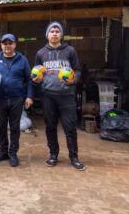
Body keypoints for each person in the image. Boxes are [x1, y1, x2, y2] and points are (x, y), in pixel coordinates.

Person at [33, 21, 85, 171]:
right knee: (50, 126)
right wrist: (36, 81)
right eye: (52, 31)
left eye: (57, 31)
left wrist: (74, 80)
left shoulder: (70, 51)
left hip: (67, 95)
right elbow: (36, 72)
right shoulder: (41, 53)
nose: (54, 33)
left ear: (61, 34)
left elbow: (78, 70)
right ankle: (53, 155)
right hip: (48, 95)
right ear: (47, 35)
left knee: (70, 127)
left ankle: (74, 158)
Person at [0, 33, 33, 167]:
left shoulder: (22, 60)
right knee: (1, 127)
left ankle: (13, 154)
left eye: (10, 43)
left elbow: (29, 79)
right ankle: (3, 152)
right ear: (1, 45)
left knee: (15, 127)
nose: (7, 46)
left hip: (17, 98)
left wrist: (29, 96)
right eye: (5, 43)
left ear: (15, 44)